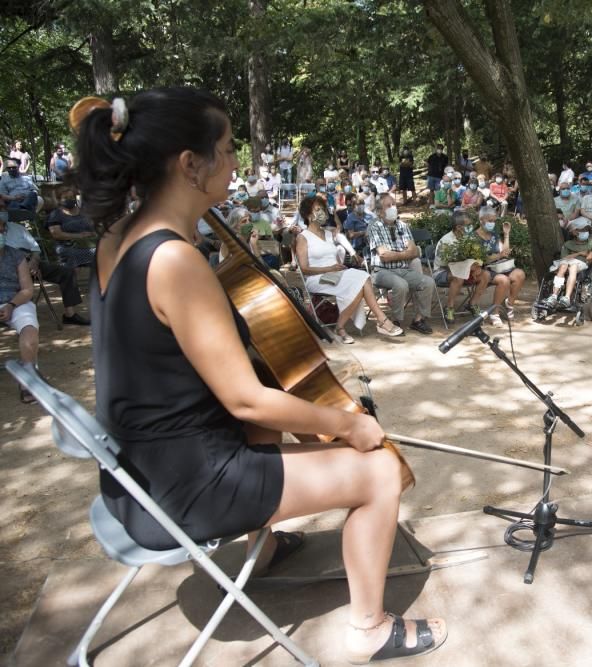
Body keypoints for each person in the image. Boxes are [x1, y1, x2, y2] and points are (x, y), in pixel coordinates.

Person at [73, 88, 446, 663]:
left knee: (265, 425)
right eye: (224, 150)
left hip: (137, 480)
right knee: (377, 474)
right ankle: (370, 629)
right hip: (187, 490)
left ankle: (264, 548)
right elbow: (246, 401)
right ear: (189, 164)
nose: (233, 164)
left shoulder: (115, 242)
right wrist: (349, 428)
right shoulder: (176, 259)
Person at [295, 197, 402, 343]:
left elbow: (334, 256)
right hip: (317, 278)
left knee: (363, 276)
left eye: (323, 209)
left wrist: (338, 265)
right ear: (308, 215)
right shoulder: (303, 237)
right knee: (359, 282)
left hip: (336, 273)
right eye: (317, 210)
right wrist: (329, 268)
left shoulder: (328, 234)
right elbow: (304, 269)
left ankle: (343, 327)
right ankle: (381, 320)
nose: (322, 213)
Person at [0, 200, 89, 325]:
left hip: (29, 262)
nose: (2, 210)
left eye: (3, 207)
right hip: (7, 269)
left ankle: (70, 314)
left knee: (66, 272)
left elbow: (35, 249)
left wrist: (34, 261)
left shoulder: (18, 229)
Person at [367, 193, 435, 334]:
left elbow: (414, 252)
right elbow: (384, 256)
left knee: (428, 282)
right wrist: (404, 253)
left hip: (403, 269)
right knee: (401, 284)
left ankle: (418, 320)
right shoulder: (375, 227)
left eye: (394, 205)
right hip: (382, 271)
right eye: (388, 206)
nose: (393, 208)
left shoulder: (403, 226)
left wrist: (396, 254)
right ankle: (395, 320)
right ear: (380, 211)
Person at [0, 227, 40, 403]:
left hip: (16, 301)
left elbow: (27, 290)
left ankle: (28, 379)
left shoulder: (16, 256)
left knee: (29, 332)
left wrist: (10, 305)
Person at [432, 211, 492, 324]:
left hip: (466, 271)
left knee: (486, 275)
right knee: (458, 276)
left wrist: (477, 265)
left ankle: (473, 304)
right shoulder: (446, 241)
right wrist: (468, 267)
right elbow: (445, 264)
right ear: (459, 227)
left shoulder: (470, 238)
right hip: (443, 272)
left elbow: (477, 256)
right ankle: (449, 308)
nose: (471, 227)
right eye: (468, 225)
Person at [542, 218, 592, 309]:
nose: (585, 232)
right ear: (574, 232)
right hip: (566, 264)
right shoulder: (568, 244)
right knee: (563, 265)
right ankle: (554, 296)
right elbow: (564, 258)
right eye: (582, 230)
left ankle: (566, 298)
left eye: (586, 230)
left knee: (573, 266)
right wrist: (579, 253)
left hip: (583, 265)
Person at [473, 206, 524, 320]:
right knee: (503, 280)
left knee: (519, 274)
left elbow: (504, 252)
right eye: (490, 221)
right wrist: (498, 255)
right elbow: (480, 259)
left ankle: (508, 305)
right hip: (484, 270)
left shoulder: (494, 235)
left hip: (499, 267)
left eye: (494, 221)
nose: (493, 223)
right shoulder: (474, 237)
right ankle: (494, 312)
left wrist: (506, 234)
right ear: (481, 220)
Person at [46, 185, 96, 269]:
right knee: (90, 253)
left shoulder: (83, 212)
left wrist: (93, 233)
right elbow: (56, 234)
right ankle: (78, 277)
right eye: (66, 197)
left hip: (88, 243)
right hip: (67, 245)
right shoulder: (56, 214)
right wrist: (79, 236)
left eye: (72, 197)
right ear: (59, 200)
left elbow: (93, 228)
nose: (70, 199)